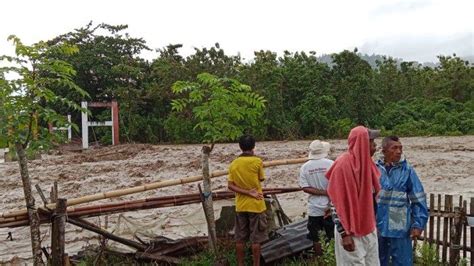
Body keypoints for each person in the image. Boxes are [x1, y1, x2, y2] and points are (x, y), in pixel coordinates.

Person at [326, 126, 382, 265]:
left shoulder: (368, 166)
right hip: (350, 230)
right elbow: (335, 202)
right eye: (371, 142)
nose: (375, 147)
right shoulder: (342, 166)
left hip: (368, 227)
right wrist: (344, 234)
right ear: (361, 143)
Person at [376, 136, 429, 266]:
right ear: (384, 151)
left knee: (402, 261)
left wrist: (418, 224)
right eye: (394, 148)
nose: (399, 151)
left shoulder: (407, 170)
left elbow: (418, 198)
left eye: (400, 148)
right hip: (378, 224)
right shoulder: (374, 169)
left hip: (399, 224)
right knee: (377, 260)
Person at [228, 135, 267, 266]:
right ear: (253, 147)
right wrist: (251, 191)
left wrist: (245, 192)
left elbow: (230, 185)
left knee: (240, 239)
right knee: (256, 239)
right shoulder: (257, 162)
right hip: (256, 205)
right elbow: (261, 179)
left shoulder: (234, 164)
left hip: (241, 205)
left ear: (240, 147)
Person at [298, 140, 334, 256]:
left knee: (316, 237)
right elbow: (337, 184)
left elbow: (305, 187)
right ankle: (332, 257)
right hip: (330, 206)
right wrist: (327, 192)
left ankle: (319, 259)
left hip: (314, 208)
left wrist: (321, 192)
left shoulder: (305, 167)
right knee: (332, 234)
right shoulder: (331, 164)